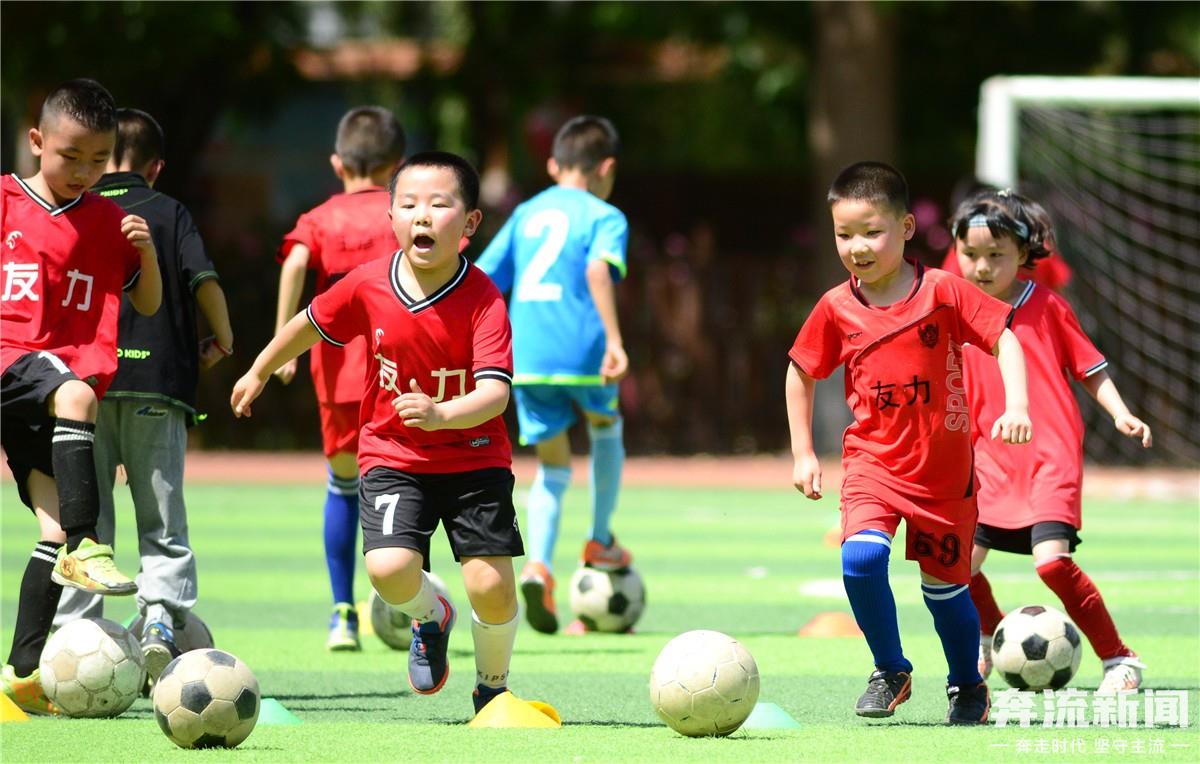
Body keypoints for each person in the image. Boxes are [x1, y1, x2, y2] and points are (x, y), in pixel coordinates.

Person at [231, 151, 523, 715]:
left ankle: (492, 689)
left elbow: (495, 394)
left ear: (469, 224)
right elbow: (309, 323)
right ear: (390, 217)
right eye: (409, 204)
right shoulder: (367, 283)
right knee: (388, 571)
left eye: (440, 205)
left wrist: (442, 414)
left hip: (474, 458)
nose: (422, 216)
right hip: (394, 453)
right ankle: (431, 616)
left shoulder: (484, 297)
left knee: (491, 584)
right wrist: (259, 369)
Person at [785, 161, 1032, 725]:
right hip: (872, 464)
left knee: (946, 595)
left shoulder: (944, 290)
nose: (857, 247)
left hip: (944, 478)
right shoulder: (835, 307)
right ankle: (890, 667)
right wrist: (802, 451)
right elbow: (800, 370)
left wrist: (1016, 406)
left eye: (871, 231)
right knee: (861, 556)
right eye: (843, 235)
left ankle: (968, 684)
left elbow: (1006, 340)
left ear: (905, 228)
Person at [51, 108, 234, 682]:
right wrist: (223, 339)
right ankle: (158, 620)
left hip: (87, 386)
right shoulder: (169, 211)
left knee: (88, 518)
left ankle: (76, 632)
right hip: (159, 385)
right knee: (162, 517)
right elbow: (203, 280)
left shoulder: (79, 212)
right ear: (155, 166)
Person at [949, 188, 1152, 693]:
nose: (981, 266)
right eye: (970, 254)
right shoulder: (952, 310)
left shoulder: (1047, 306)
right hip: (988, 460)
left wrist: (1122, 412)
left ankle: (1119, 659)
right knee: (954, 568)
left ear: (1023, 255)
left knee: (1052, 562)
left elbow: (1090, 368)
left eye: (995, 255)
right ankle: (986, 634)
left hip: (1049, 455)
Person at [1, 79, 161, 714]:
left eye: (100, 160)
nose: (85, 171)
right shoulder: (6, 203)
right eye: (71, 156)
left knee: (50, 529)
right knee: (76, 397)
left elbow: (145, 304)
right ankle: (89, 542)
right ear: (37, 142)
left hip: (44, 386)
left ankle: (19, 676)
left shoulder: (109, 222)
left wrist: (146, 257)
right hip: (15, 360)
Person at [475, 115, 631, 635]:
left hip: (528, 353)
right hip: (583, 348)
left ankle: (539, 565)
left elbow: (485, 281)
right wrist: (613, 339)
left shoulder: (525, 212)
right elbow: (596, 270)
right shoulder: (606, 215)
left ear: (551, 164)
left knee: (552, 465)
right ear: (605, 168)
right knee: (607, 428)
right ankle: (600, 538)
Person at [273, 106, 405, 651]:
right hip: (402, 374)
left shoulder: (320, 218)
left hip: (338, 375)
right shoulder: (405, 211)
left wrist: (285, 343)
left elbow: (295, 262)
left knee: (343, 485)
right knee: (410, 484)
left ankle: (343, 614)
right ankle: (412, 604)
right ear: (397, 165)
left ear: (336, 162)